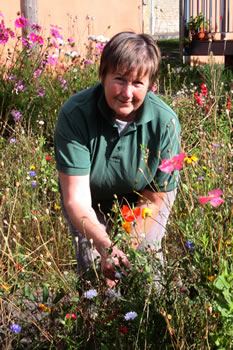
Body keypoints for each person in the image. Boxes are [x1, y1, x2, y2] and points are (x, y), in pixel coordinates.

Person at [54, 31, 181, 285]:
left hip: (143, 200)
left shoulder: (165, 122)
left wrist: (124, 248)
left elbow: (155, 198)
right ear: (103, 75)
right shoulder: (75, 114)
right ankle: (95, 319)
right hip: (90, 201)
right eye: (119, 79)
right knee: (93, 272)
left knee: (145, 267)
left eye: (137, 83)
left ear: (150, 85)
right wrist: (105, 247)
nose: (126, 92)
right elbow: (76, 200)